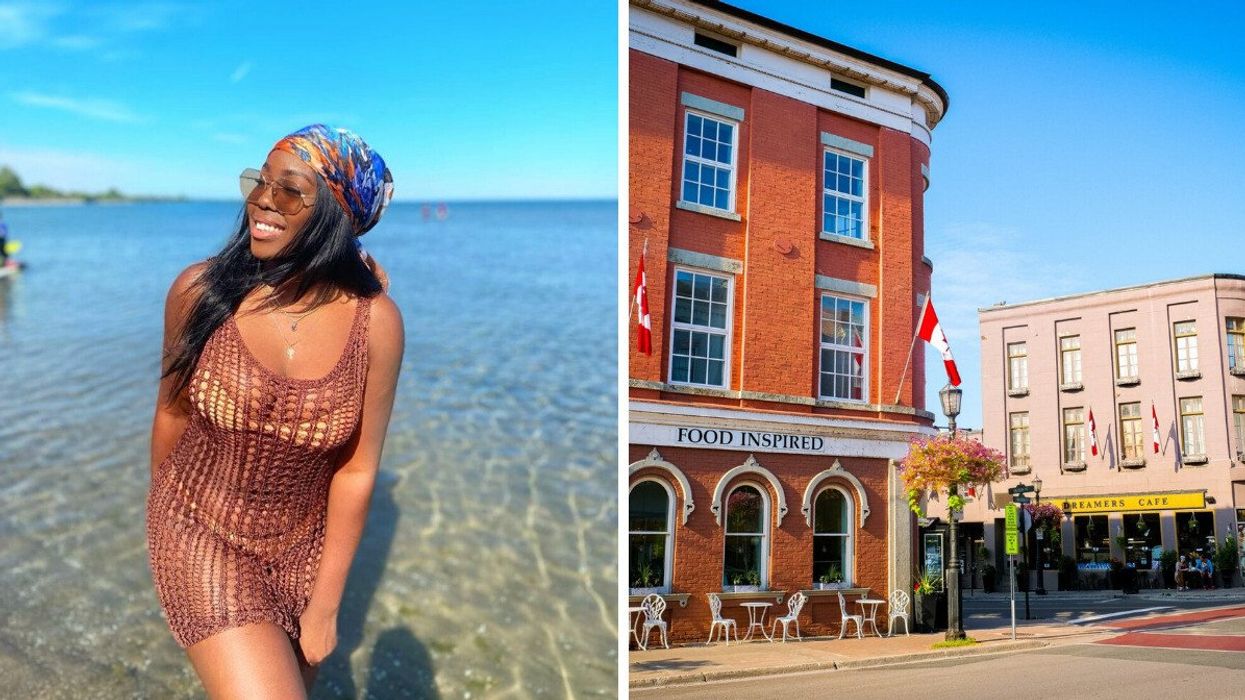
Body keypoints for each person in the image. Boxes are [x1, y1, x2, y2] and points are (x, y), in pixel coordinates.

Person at [145, 124, 404, 698]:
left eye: (289, 190)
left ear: (337, 214)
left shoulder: (376, 325)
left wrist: (326, 606)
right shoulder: (200, 292)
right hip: (199, 525)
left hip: (303, 550)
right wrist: (163, 530)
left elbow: (358, 470)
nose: (263, 199)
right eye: (260, 182)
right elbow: (172, 416)